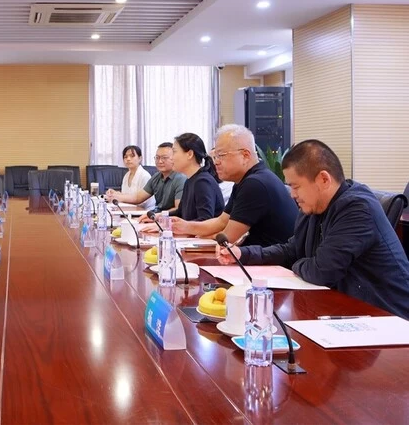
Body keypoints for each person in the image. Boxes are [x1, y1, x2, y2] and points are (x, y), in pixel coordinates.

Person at [217, 140, 409, 319]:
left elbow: (322, 271)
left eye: (296, 186)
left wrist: (297, 263)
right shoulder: (314, 206)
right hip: (342, 309)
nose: (292, 195)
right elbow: (291, 250)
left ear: (323, 179)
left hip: (386, 319)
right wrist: (242, 253)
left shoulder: (358, 209)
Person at [171, 125, 297, 247]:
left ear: (245, 155)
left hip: (272, 259)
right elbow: (221, 222)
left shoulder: (255, 183)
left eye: (221, 155)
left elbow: (229, 238)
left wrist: (198, 236)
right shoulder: (244, 180)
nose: (216, 162)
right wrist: (185, 226)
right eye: (215, 156)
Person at [145, 133, 223, 233]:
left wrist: (168, 226)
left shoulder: (203, 182)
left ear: (189, 154)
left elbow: (205, 220)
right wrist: (159, 217)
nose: (172, 158)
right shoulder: (190, 180)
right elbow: (181, 212)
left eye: (174, 152)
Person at [108, 142, 186, 213]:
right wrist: (115, 196)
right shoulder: (156, 177)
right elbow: (137, 198)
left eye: (164, 158)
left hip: (170, 219)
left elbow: (178, 209)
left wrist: (158, 215)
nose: (160, 161)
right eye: (157, 157)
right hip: (157, 216)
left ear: (174, 158)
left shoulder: (180, 178)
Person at [118, 145, 155, 210]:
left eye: (132, 156)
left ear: (140, 158)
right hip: (129, 210)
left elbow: (143, 201)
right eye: (125, 157)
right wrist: (116, 194)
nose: (128, 159)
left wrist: (119, 197)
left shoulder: (144, 176)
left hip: (145, 211)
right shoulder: (126, 175)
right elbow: (125, 195)